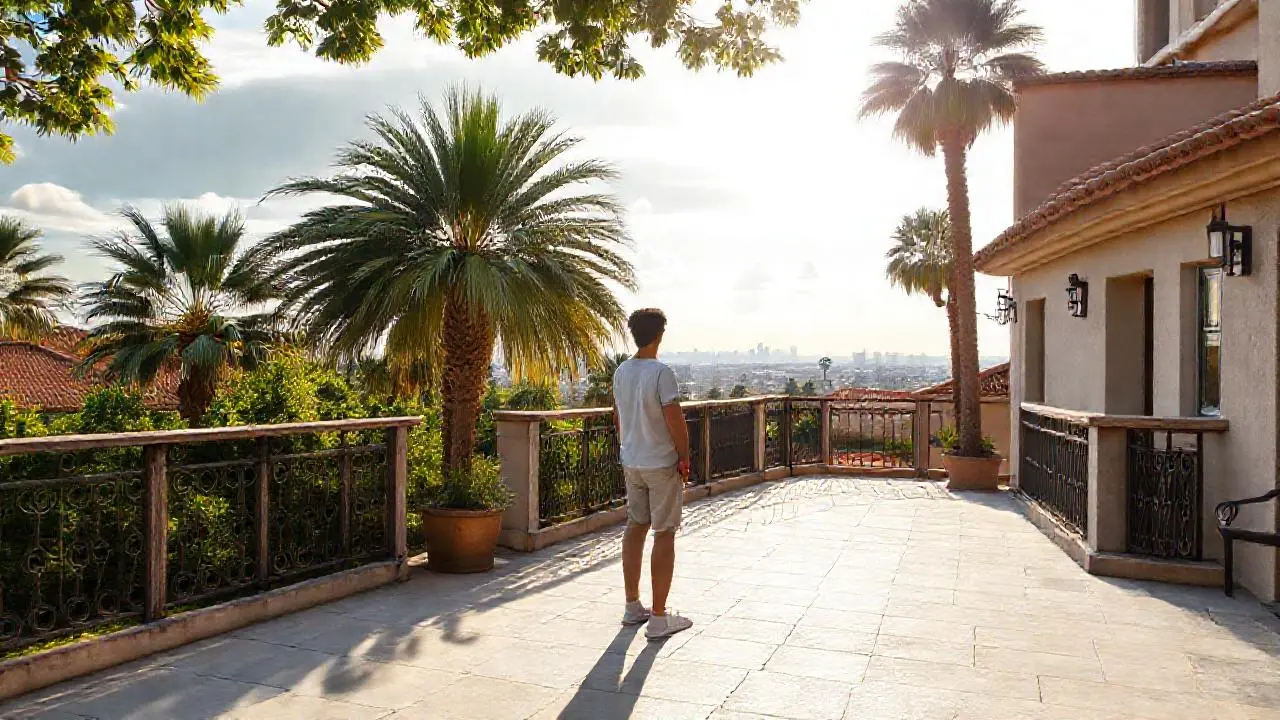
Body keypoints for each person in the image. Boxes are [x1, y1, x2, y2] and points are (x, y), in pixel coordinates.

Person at [611, 308, 694, 639]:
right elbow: (674, 420)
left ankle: (633, 607)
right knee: (664, 532)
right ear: (660, 334)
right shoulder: (662, 373)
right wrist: (685, 458)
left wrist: (627, 446)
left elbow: (617, 416)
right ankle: (659, 619)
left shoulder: (621, 372)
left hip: (632, 461)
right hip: (660, 463)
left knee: (635, 527)